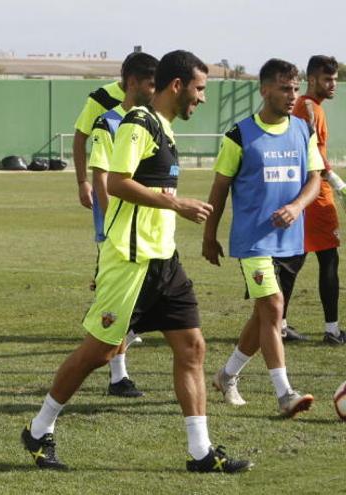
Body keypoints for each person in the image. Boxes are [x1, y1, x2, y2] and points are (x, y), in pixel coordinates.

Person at [21, 50, 251, 473]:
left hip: (163, 260)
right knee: (99, 353)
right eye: (199, 89)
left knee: (192, 346)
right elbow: (117, 182)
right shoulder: (138, 122)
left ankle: (200, 452)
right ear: (177, 86)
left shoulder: (165, 128)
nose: (202, 98)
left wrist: (171, 212)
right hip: (130, 261)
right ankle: (38, 429)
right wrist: (177, 205)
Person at [204, 58, 320, 416]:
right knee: (272, 307)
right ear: (264, 88)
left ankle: (227, 376)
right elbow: (219, 189)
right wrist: (209, 236)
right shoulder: (238, 135)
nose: (292, 95)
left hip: (291, 240)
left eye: (295, 89)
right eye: (285, 88)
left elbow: (314, 179)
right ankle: (285, 393)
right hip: (253, 240)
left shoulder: (303, 130)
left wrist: (298, 207)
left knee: (264, 315)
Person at [86, 52, 158, 397]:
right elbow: (101, 177)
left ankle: (117, 374)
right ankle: (116, 376)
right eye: (151, 82)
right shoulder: (108, 123)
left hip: (149, 233)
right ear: (132, 83)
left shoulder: (152, 121)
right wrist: (113, 225)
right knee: (117, 305)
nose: (156, 89)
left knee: (131, 305)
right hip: (121, 233)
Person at [273, 55, 344, 345]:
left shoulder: (306, 106)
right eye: (328, 79)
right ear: (312, 79)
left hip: (302, 192)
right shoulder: (309, 107)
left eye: (335, 80)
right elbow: (311, 149)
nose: (333, 85)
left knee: (293, 260)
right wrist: (336, 180)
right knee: (327, 258)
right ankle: (331, 330)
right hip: (315, 195)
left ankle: (281, 325)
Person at [73, 69, 125, 212]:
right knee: (108, 232)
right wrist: (82, 182)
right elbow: (80, 137)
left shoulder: (151, 99)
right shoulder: (102, 98)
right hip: (106, 186)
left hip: (139, 186)